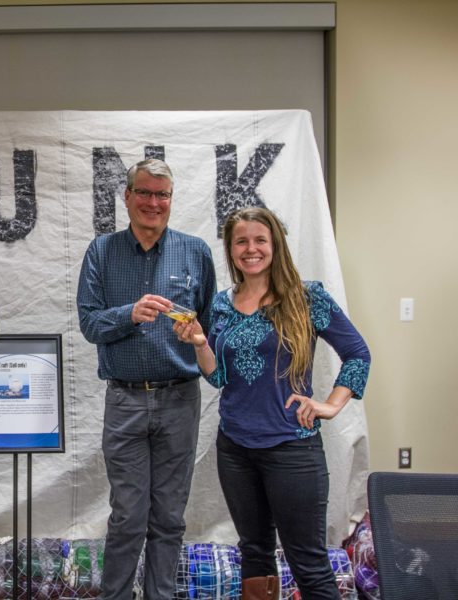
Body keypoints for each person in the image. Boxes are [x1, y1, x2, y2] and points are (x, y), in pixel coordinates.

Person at [174, 206, 371, 600]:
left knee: (308, 563)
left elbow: (358, 353)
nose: (251, 249)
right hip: (235, 449)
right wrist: (200, 345)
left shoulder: (306, 297)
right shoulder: (221, 305)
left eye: (259, 240)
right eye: (241, 242)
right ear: (231, 251)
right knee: (254, 553)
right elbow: (219, 377)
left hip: (292, 448)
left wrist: (330, 405)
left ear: (275, 245)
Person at [76, 158, 216, 599]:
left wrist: (197, 338)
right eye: (145, 193)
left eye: (162, 195)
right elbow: (89, 324)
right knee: (128, 517)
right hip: (125, 401)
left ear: (171, 200)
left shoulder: (195, 252)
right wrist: (129, 314)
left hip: (180, 399)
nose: (153, 202)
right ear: (128, 197)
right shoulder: (102, 251)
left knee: (170, 518)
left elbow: (210, 329)